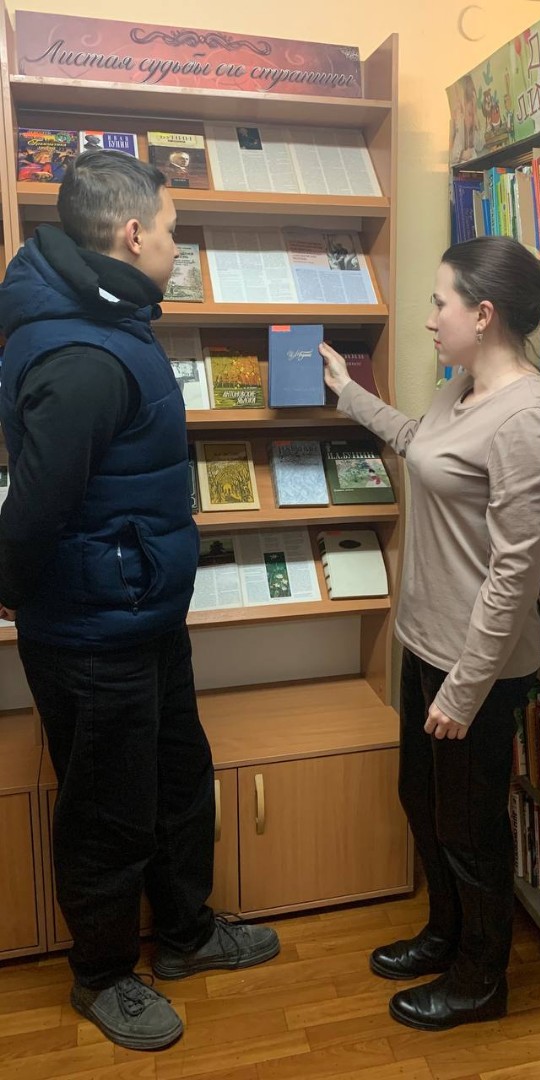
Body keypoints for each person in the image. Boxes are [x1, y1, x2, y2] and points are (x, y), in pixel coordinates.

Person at [0, 150, 279, 1052]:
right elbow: (33, 511)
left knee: (176, 781)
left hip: (141, 613)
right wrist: (19, 597)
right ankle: (103, 975)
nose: (174, 245)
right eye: (169, 230)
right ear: (131, 235)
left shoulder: (109, 313)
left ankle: (187, 935)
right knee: (107, 812)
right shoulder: (80, 353)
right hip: (93, 633)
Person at [320, 235, 540, 1032]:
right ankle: (446, 934)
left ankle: (480, 980)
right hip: (426, 644)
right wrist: (349, 394)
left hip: (478, 670)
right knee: (422, 801)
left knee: (470, 830)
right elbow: (418, 446)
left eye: (439, 302)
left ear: (483, 314)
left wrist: (463, 691)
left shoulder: (530, 420)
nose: (430, 319)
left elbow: (515, 577)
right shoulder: (459, 386)